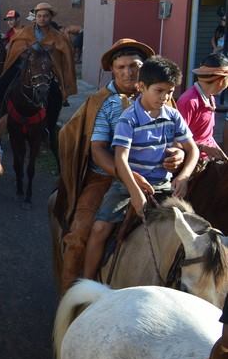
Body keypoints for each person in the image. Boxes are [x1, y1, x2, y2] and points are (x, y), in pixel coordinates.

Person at [54, 39, 180, 290]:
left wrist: (178, 154)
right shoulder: (101, 102)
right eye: (121, 67)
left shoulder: (162, 97)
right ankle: (72, 301)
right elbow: (98, 150)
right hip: (105, 177)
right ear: (113, 69)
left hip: (155, 178)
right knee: (78, 236)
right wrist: (127, 175)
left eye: (134, 66)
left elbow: (176, 137)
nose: (128, 72)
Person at [82, 56, 199, 281]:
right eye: (159, 91)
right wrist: (135, 192)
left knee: (193, 230)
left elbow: (192, 149)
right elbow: (120, 159)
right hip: (127, 185)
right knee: (99, 229)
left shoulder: (172, 115)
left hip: (163, 185)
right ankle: (85, 288)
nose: (165, 97)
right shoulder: (128, 118)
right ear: (142, 87)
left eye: (170, 92)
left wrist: (183, 177)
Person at [0, 2, 76, 129]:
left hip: (47, 70)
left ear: (50, 18)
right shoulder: (25, 32)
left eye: (45, 16)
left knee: (56, 96)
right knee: (1, 86)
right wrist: (24, 54)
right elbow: (15, 48)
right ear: (35, 17)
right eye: (39, 16)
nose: (42, 19)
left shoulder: (57, 36)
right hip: (23, 67)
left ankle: (50, 127)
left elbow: (64, 55)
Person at [177, 53, 228, 160]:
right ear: (221, 80)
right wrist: (204, 148)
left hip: (208, 159)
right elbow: (177, 140)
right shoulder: (189, 101)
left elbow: (207, 136)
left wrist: (220, 153)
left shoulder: (210, 97)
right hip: (194, 162)